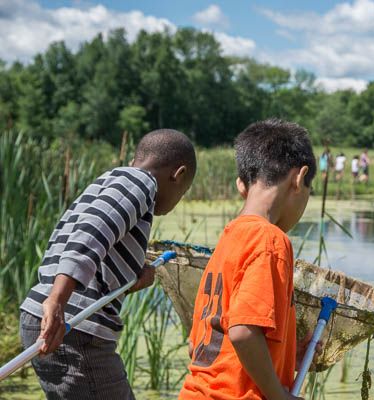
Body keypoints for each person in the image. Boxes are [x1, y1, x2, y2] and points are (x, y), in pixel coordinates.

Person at [19, 129, 197, 399]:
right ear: (178, 174)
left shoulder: (110, 181)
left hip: (47, 315)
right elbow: (88, 237)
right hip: (71, 325)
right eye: (182, 193)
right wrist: (57, 302)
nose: (176, 201)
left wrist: (129, 279)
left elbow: (91, 252)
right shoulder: (139, 184)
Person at [180, 119, 320, 400]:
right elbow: (243, 332)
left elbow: (199, 344)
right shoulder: (270, 240)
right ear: (298, 178)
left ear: (242, 186)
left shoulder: (230, 237)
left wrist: (287, 355)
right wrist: (278, 396)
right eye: (309, 190)